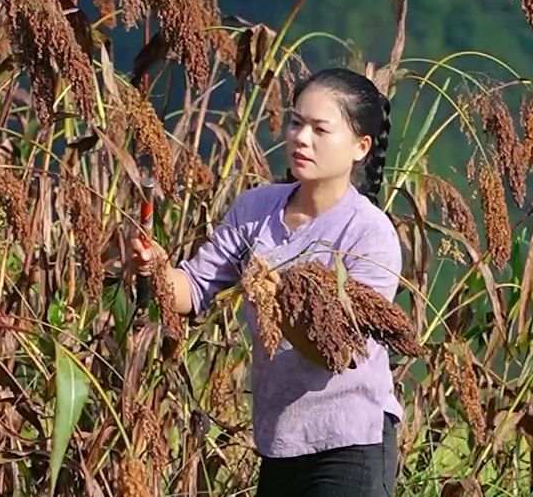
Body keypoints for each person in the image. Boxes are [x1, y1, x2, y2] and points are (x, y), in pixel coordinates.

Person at [131, 68, 403, 497]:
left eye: (320, 129)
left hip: (349, 442)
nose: (301, 138)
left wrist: (276, 300)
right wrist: (159, 270)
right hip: (280, 440)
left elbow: (338, 353)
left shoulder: (370, 234)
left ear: (360, 147)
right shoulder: (255, 208)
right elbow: (195, 289)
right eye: (296, 123)